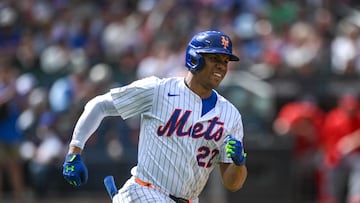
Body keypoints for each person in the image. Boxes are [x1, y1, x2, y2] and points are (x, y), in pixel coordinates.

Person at [62, 30, 248, 203]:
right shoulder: (158, 90)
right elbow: (99, 105)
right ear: (195, 59)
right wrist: (74, 153)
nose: (221, 66)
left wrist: (239, 163)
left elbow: (233, 184)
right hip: (146, 192)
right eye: (214, 58)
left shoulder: (230, 115)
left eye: (225, 61)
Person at [319, 93, 360, 203]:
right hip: (335, 155)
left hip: (355, 155)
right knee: (330, 170)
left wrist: (353, 140)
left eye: (353, 108)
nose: (351, 111)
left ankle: (356, 197)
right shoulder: (333, 118)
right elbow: (325, 140)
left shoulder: (358, 117)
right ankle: (331, 198)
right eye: (348, 108)